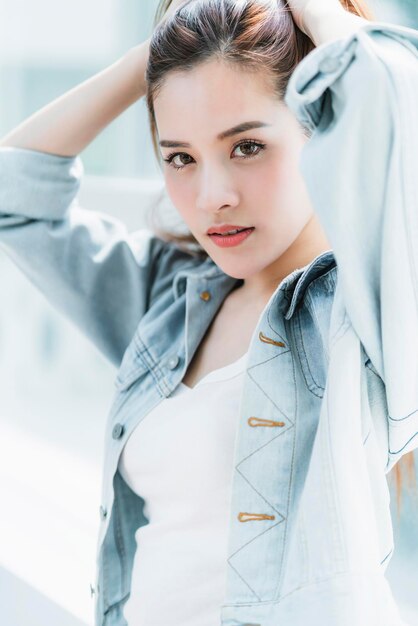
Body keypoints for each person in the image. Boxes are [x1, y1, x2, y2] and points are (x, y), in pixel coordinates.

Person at [1, 0, 417, 624]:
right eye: (180, 157)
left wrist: (319, 15)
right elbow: (15, 199)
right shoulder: (170, 300)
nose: (211, 196)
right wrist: (156, 59)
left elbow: (399, 99)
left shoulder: (363, 311)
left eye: (246, 146)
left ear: (318, 125)